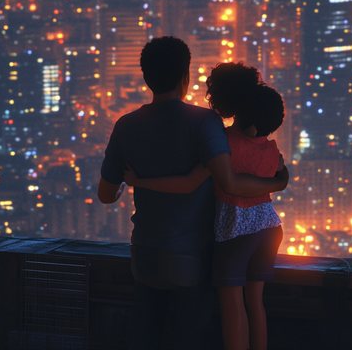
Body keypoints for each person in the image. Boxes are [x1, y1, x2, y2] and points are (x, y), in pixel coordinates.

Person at [97, 37, 288, 350]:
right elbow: (230, 181)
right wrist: (278, 182)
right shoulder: (205, 123)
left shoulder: (125, 126)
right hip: (194, 256)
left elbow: (106, 195)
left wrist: (131, 181)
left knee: (145, 333)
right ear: (186, 76)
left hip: (144, 252)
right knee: (192, 335)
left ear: (146, 76)